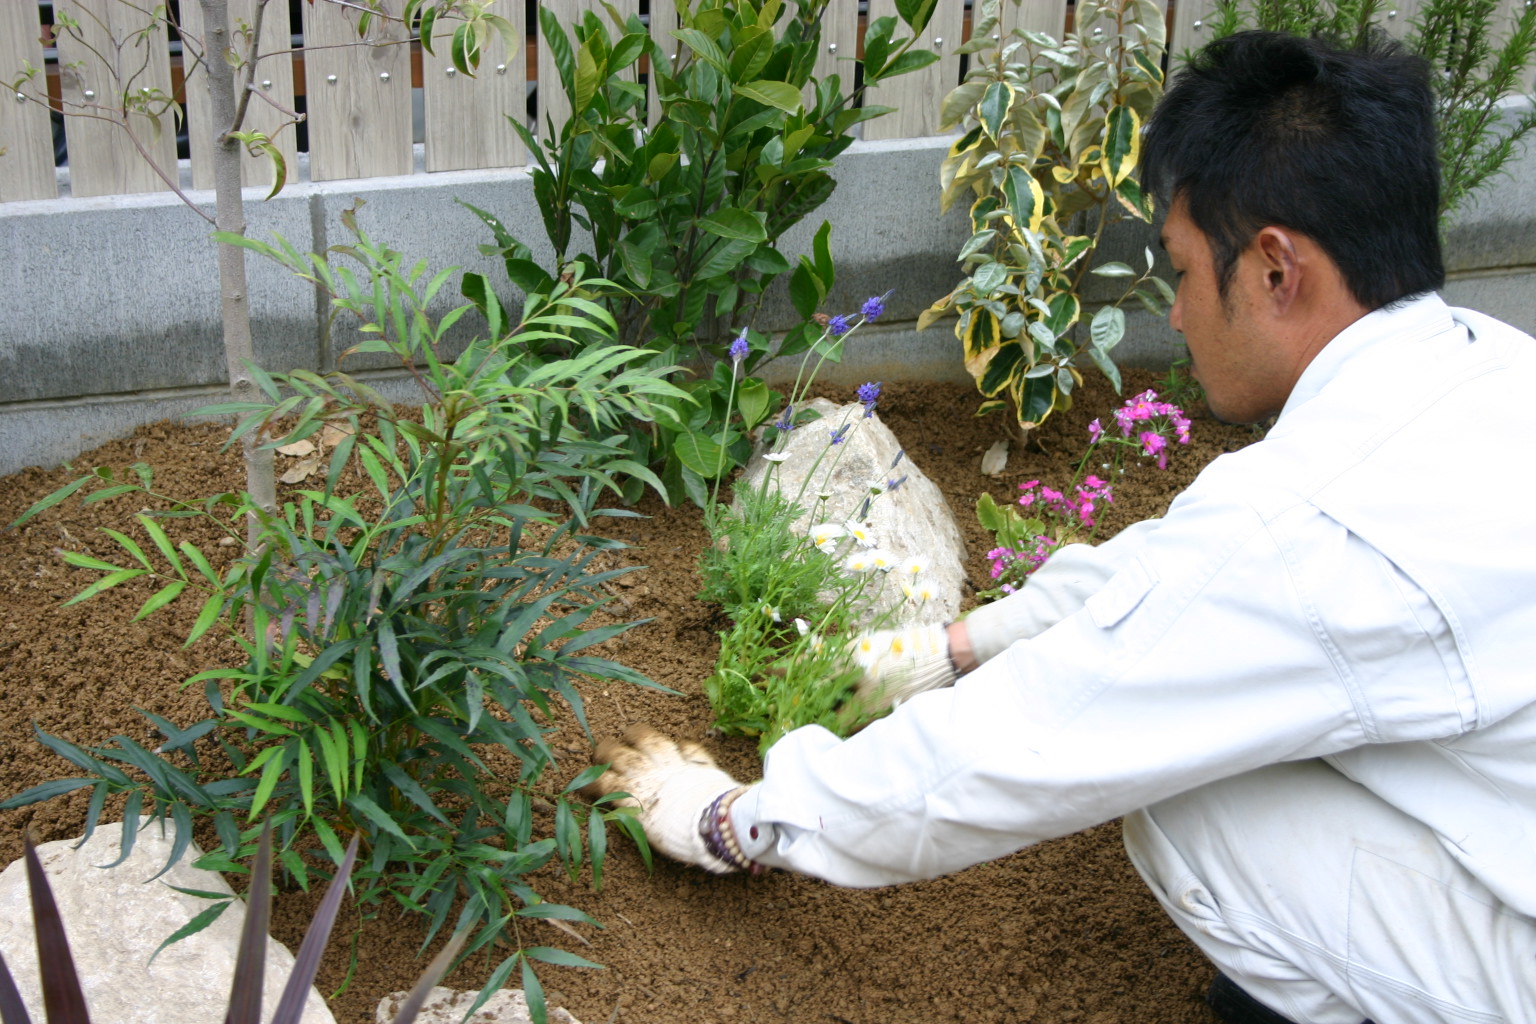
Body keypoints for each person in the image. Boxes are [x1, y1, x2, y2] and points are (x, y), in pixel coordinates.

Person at [588, 30, 1536, 1024]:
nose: (1175, 312)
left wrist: (730, 818)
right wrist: (947, 648)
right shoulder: (1485, 368)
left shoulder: (1312, 530)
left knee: (1187, 797)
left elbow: (1034, 742)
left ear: (1273, 271)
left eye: (1178, 270)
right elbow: (1184, 574)